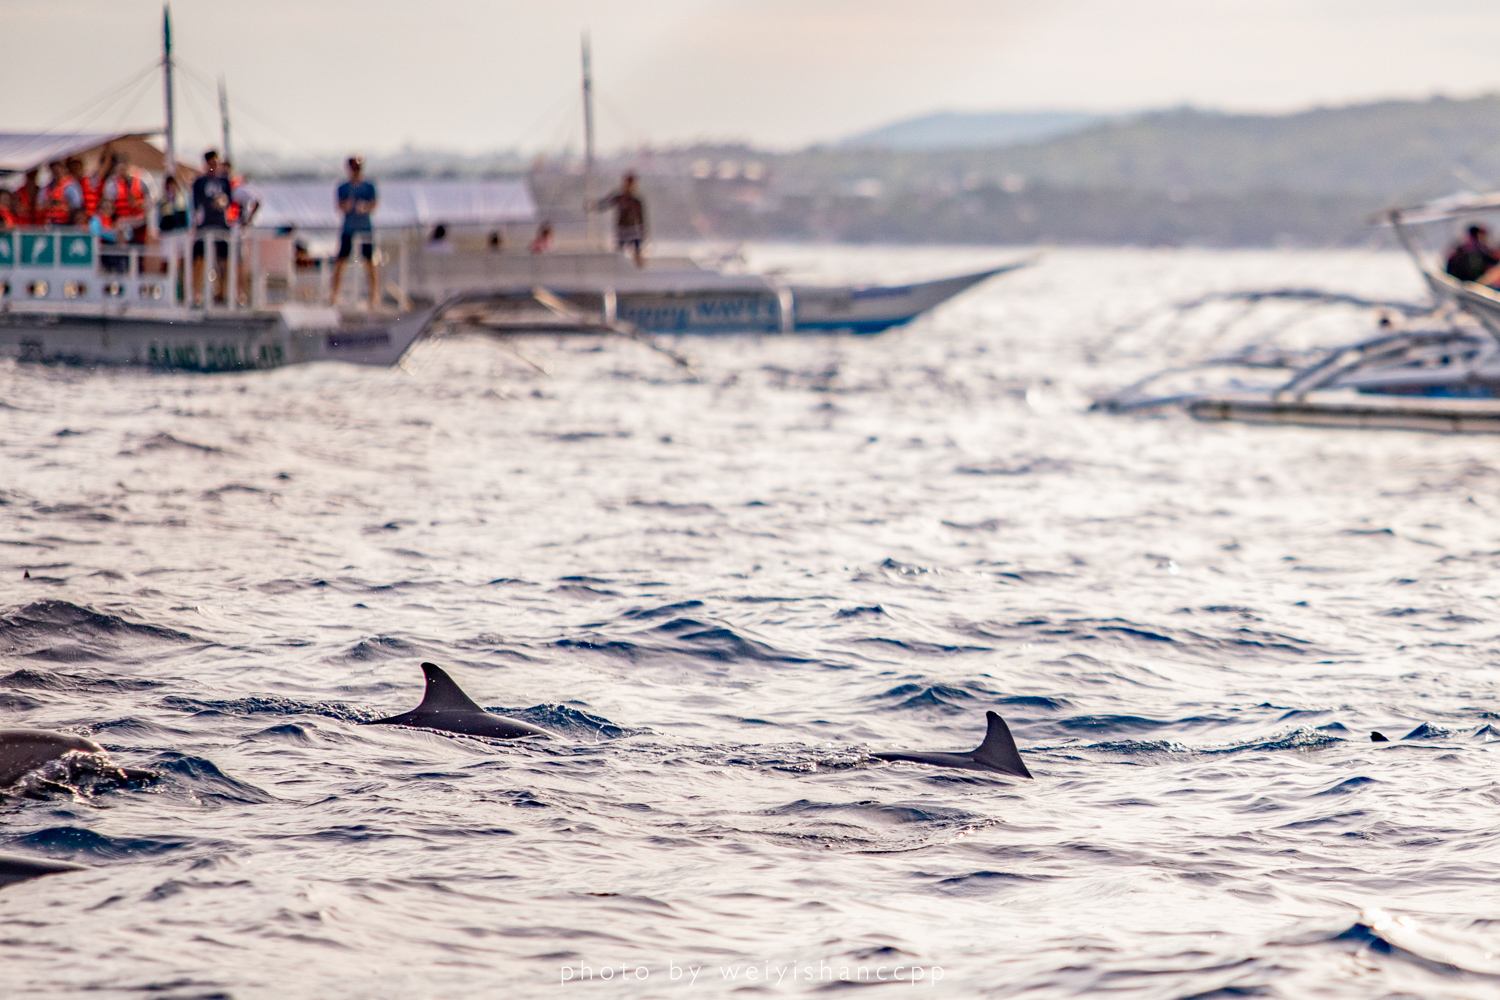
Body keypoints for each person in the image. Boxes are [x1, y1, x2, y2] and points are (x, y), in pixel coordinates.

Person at [330, 156, 378, 308]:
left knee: (369, 261)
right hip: (349, 228)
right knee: (341, 261)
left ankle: (373, 295)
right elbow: (340, 206)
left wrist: (365, 207)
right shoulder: (343, 187)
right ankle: (334, 294)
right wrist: (348, 205)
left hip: (365, 229)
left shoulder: (369, 186)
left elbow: (374, 204)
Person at [191, 149, 233, 305]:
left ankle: (222, 293)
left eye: (216, 162)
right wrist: (213, 203)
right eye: (211, 163)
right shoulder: (199, 182)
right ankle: (197, 293)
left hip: (221, 225)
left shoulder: (224, 181)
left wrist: (222, 202)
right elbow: (197, 204)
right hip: (205, 226)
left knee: (224, 261)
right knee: (199, 260)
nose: (213, 166)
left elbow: (229, 201)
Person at [596, 171, 646, 267]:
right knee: (619, 252)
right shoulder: (619, 198)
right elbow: (605, 203)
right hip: (622, 230)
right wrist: (595, 206)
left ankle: (639, 268)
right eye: (627, 183)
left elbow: (641, 218)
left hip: (632, 230)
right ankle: (618, 268)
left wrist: (642, 233)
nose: (628, 186)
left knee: (637, 249)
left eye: (630, 184)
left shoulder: (636, 201)